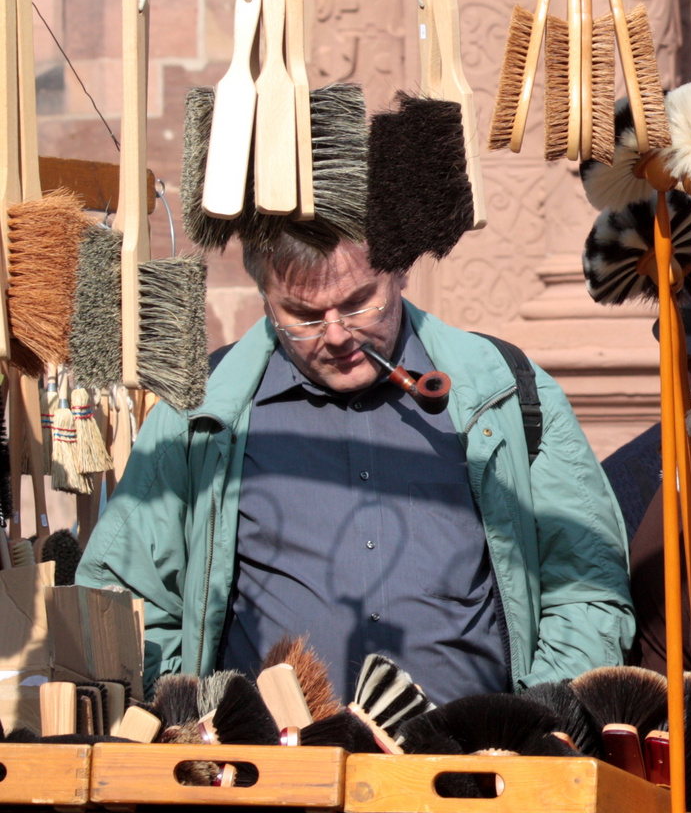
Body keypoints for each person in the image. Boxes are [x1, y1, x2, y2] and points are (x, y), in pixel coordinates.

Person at [78, 235, 634, 699]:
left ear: (400, 271)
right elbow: (124, 599)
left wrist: (541, 721)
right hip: (268, 786)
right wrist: (185, 727)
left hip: (476, 780)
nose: (337, 335)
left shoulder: (508, 392)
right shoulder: (197, 415)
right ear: (265, 298)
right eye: (302, 316)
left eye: (359, 303)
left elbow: (586, 584)